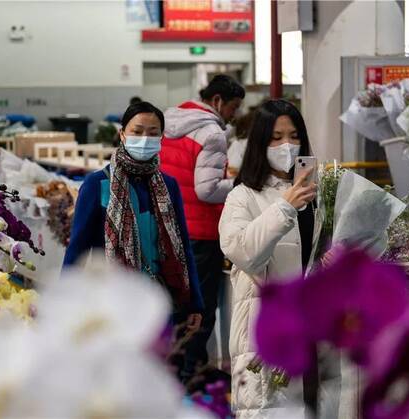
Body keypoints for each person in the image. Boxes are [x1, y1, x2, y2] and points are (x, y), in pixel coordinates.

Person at [63, 101, 204, 377]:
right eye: (138, 131)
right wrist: (66, 304)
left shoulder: (168, 186)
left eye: (153, 133)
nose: (145, 139)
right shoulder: (97, 184)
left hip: (161, 302)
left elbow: (183, 247)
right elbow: (77, 249)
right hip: (112, 303)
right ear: (122, 135)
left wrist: (194, 303)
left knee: (159, 374)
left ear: (162, 138)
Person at [219, 99, 324, 418]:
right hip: (263, 332)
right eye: (276, 137)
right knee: (268, 410)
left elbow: (311, 257)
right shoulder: (243, 196)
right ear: (260, 142)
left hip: (313, 329)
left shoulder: (317, 195)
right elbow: (241, 250)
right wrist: (284, 206)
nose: (287, 145)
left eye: (294, 136)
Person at [160, 74, 245, 380]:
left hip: (168, 228)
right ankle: (192, 376)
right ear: (218, 101)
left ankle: (171, 371)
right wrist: (241, 184)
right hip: (199, 233)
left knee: (175, 307)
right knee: (200, 310)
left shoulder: (169, 122)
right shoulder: (212, 133)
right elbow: (206, 190)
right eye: (233, 107)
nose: (233, 115)